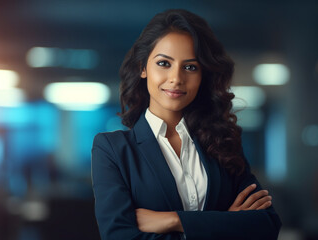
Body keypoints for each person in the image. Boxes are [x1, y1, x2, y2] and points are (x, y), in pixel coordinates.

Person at [91, 9, 281, 240]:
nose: (176, 78)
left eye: (190, 67)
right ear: (143, 67)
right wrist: (225, 223)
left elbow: (267, 225)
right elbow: (119, 237)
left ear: (203, 75)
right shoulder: (113, 150)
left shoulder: (222, 142)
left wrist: (174, 220)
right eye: (164, 63)